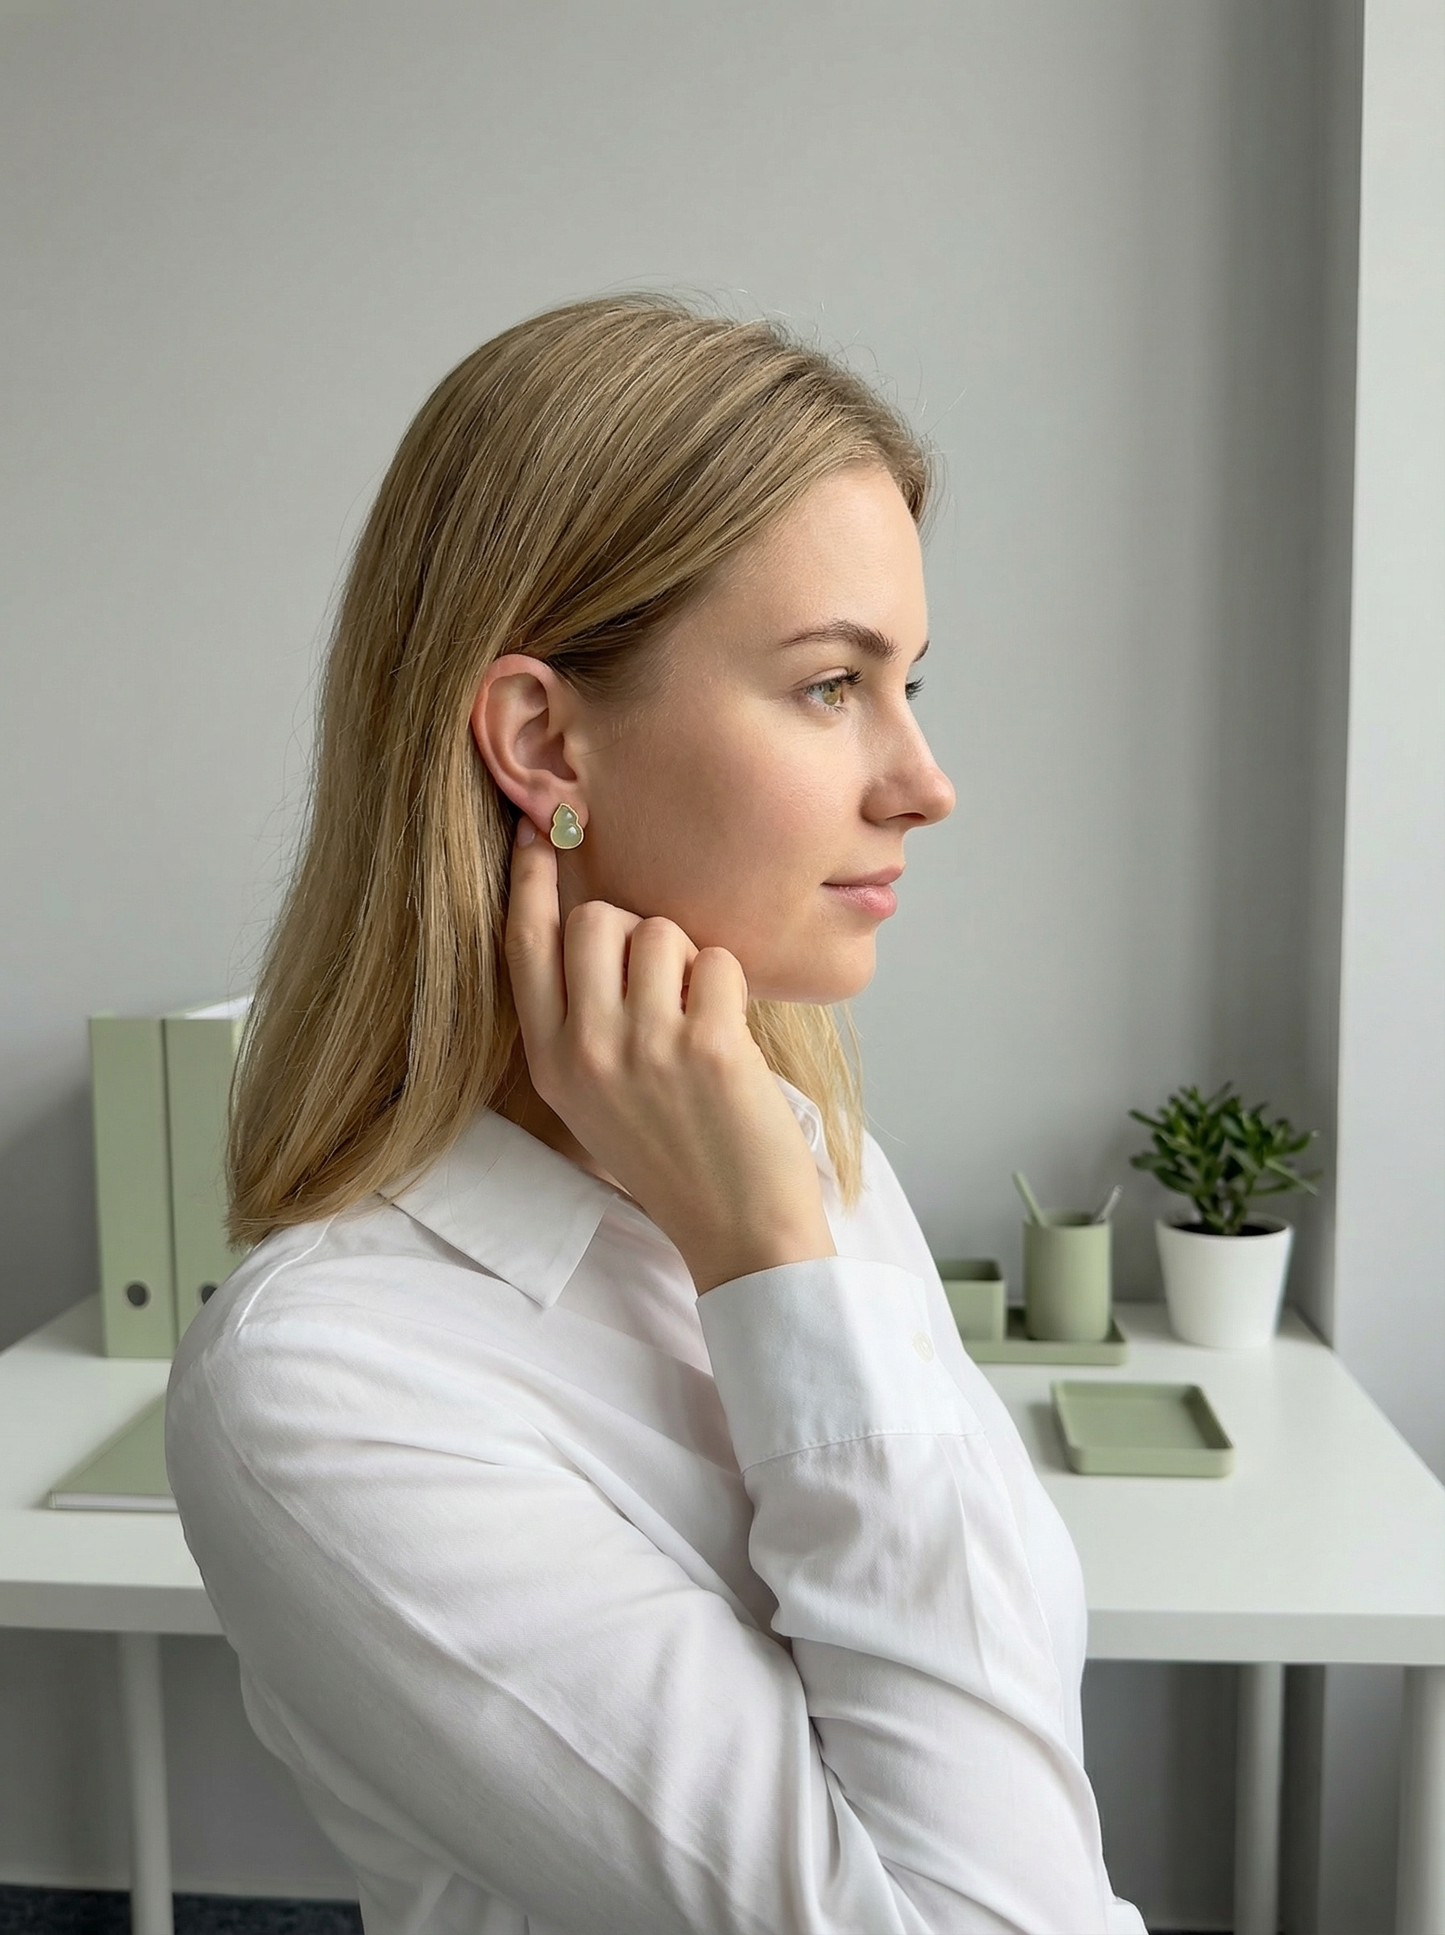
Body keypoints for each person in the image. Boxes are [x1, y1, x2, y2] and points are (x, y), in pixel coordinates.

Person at [166, 292, 1146, 1935]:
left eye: (908, 681)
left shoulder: (800, 1154)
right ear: (543, 737)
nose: (923, 778)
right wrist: (769, 1265)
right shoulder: (324, 1387)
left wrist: (780, 1238)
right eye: (833, 685)